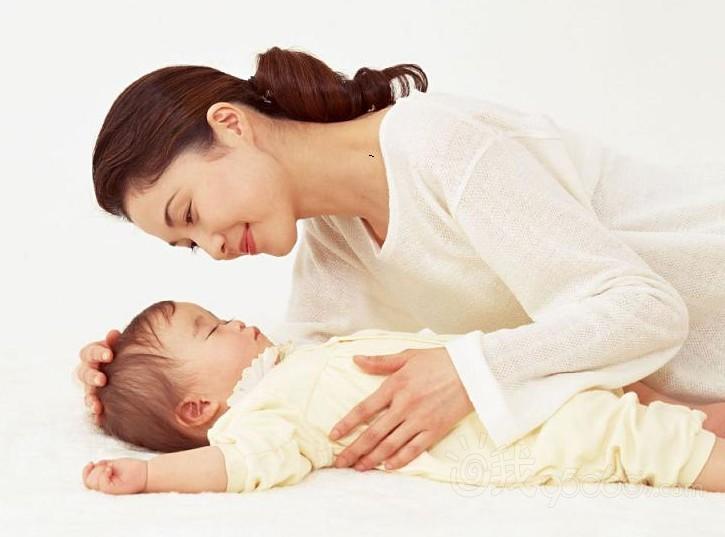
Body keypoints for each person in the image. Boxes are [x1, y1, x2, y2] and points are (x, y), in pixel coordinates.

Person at [77, 46, 725, 473]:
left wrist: (468, 371)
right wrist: (137, 386)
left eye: (189, 211)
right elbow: (292, 386)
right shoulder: (333, 249)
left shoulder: (437, 144)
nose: (214, 248)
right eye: (189, 245)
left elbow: (645, 309)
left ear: (231, 124)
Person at [82, 299, 723, 495]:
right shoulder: (262, 417)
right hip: (514, 432)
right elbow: (235, 466)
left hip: (510, 384)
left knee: (638, 401)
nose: (236, 322)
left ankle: (704, 418)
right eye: (213, 329)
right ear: (197, 409)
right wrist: (148, 475)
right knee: (632, 438)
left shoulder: (290, 359)